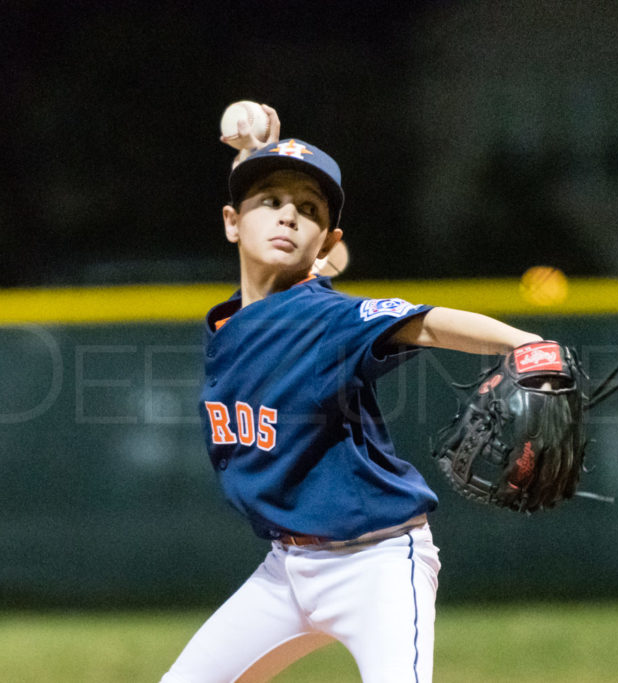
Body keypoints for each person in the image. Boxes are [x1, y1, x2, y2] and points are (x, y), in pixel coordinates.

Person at [161, 108, 542, 683]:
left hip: (378, 564)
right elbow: (261, 217)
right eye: (269, 202)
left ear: (326, 243)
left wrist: (527, 344)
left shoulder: (329, 319)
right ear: (231, 223)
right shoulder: (230, 323)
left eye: (309, 210)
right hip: (285, 570)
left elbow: (431, 323)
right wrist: (249, 148)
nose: (288, 214)